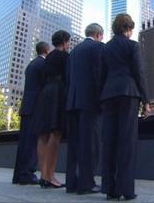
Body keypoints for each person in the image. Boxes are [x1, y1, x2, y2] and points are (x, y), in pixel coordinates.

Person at [100, 13, 151, 201]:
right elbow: (139, 73)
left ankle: (110, 189)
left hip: (108, 95)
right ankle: (127, 190)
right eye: (131, 29)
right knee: (127, 142)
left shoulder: (105, 49)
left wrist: (102, 96)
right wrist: (146, 100)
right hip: (128, 94)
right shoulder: (132, 45)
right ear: (127, 28)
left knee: (110, 141)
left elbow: (101, 75)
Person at [66, 23, 104, 194]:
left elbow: (69, 77)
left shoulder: (74, 51)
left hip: (73, 102)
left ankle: (72, 183)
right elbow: (98, 74)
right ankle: (87, 183)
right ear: (98, 34)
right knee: (91, 144)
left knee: (74, 144)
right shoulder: (97, 47)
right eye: (102, 36)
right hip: (90, 102)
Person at [33, 30, 70, 188]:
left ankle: (43, 175)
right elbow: (69, 77)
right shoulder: (65, 57)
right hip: (58, 94)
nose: (69, 44)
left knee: (43, 134)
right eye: (68, 41)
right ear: (64, 41)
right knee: (55, 133)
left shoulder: (48, 58)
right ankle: (50, 176)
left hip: (45, 93)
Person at [12, 42, 49, 185]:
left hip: (27, 106)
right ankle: (27, 173)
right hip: (35, 107)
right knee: (32, 142)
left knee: (24, 142)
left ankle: (19, 175)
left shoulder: (31, 65)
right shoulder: (42, 65)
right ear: (46, 50)